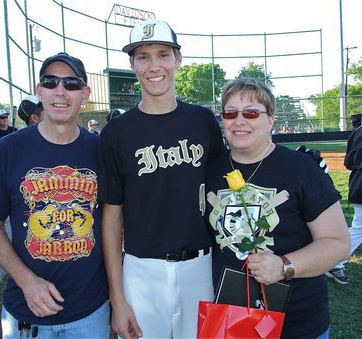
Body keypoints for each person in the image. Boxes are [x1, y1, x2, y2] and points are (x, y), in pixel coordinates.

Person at [98, 19, 226, 338]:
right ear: (132, 64)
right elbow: (112, 217)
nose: (154, 65)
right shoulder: (116, 132)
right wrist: (117, 298)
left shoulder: (202, 121)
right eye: (143, 56)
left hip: (200, 265)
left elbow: (224, 191)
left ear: (178, 59)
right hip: (141, 270)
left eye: (163, 54)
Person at [0, 52, 110, 338]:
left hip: (90, 312)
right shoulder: (8, 150)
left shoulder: (101, 151)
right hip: (26, 313)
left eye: (71, 83)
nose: (60, 91)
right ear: (39, 91)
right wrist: (27, 281)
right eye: (50, 82)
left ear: (84, 94)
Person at [205, 78, 350, 338]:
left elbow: (338, 242)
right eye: (230, 113)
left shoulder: (302, 169)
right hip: (230, 320)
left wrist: (284, 266)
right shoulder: (209, 170)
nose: (239, 120)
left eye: (251, 112)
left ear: (270, 119)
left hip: (297, 324)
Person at [326, 121, 362, 284]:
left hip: (357, 183)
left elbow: (348, 163)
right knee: (360, 227)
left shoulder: (358, 131)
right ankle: (335, 261)